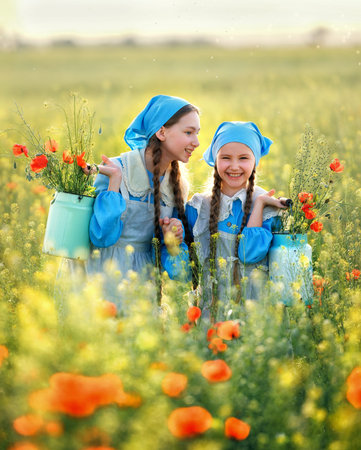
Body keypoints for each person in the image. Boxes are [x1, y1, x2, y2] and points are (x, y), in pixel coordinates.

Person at [83, 95, 200, 308]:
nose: (196, 142)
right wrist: (114, 183)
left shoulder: (178, 185)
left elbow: (177, 270)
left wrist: (172, 238)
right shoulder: (117, 170)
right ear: (162, 132)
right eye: (188, 132)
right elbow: (101, 237)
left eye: (197, 134)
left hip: (144, 283)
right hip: (101, 277)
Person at [185, 121, 288, 320]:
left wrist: (258, 205)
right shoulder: (199, 207)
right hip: (212, 305)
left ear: (255, 161)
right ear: (215, 160)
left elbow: (249, 254)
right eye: (225, 158)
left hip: (253, 305)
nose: (234, 166)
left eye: (243, 158)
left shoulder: (268, 208)